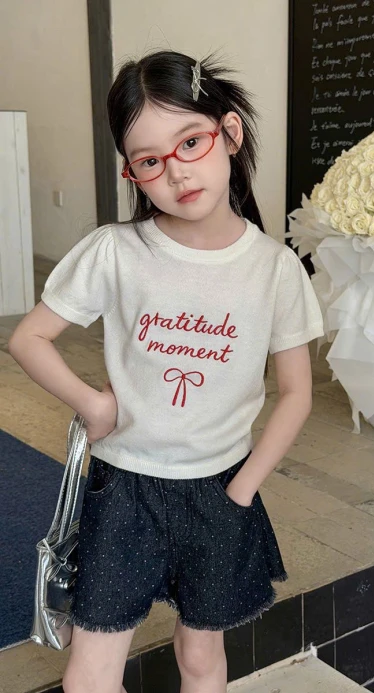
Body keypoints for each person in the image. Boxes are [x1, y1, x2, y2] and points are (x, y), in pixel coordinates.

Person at [8, 50, 324, 693]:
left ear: (229, 133)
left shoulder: (274, 268)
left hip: (221, 489)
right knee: (90, 671)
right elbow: (29, 337)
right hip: (125, 490)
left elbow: (296, 393)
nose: (177, 172)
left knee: (201, 657)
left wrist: (242, 491)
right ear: (133, 173)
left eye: (190, 142)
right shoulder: (116, 251)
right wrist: (92, 404)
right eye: (150, 161)